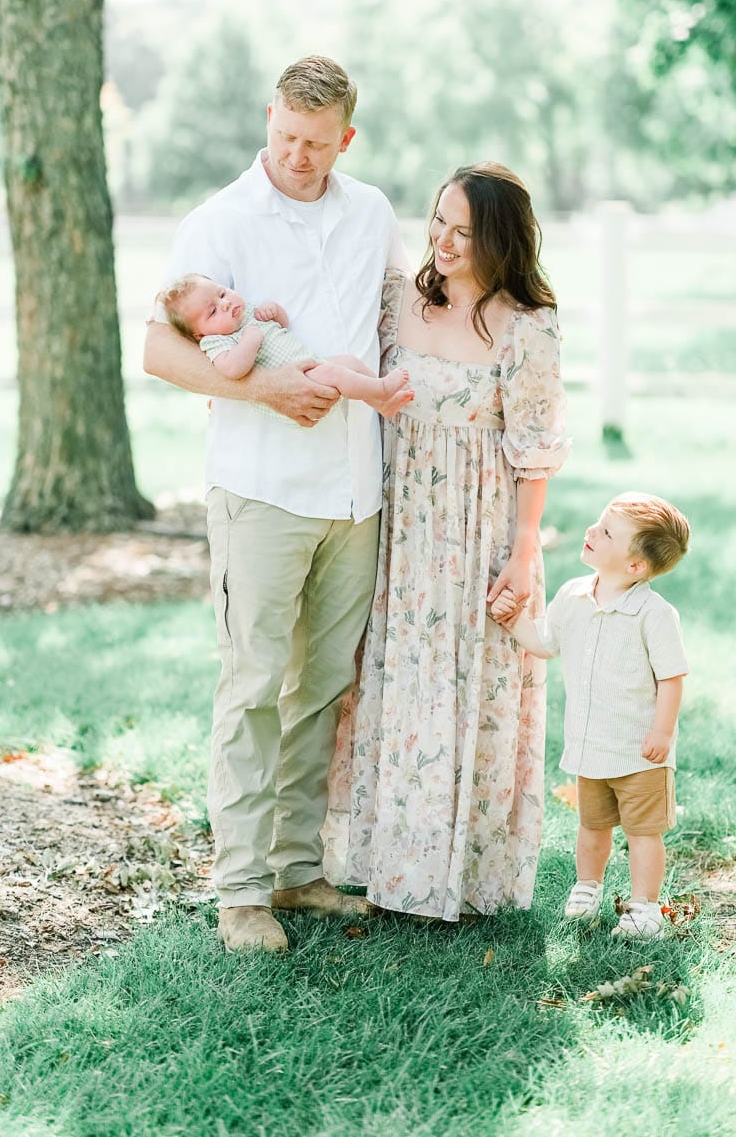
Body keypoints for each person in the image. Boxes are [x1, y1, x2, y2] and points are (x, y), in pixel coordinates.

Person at [143, 55, 409, 954]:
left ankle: (298, 871)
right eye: (286, 136)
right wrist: (264, 391)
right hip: (260, 493)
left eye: (317, 142)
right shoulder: (218, 221)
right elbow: (158, 351)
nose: (299, 155)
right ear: (268, 119)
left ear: (347, 137)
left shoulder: (370, 212)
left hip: (354, 492)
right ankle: (240, 891)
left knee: (322, 688)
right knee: (253, 686)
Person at [324, 162, 570, 921]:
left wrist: (524, 552)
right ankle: (386, 861)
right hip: (398, 522)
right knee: (393, 681)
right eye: (438, 221)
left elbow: (536, 448)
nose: (444, 240)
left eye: (464, 230)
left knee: (473, 689)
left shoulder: (526, 326)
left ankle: (464, 872)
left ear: (500, 238)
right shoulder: (400, 301)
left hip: (479, 527)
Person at [490, 492, 690, 939]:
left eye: (605, 532)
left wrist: (662, 730)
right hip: (590, 744)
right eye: (597, 524)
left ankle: (644, 908)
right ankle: (587, 887)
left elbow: (672, 678)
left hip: (640, 749)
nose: (590, 532)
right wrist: (514, 620)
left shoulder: (654, 615)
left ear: (636, 566)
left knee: (643, 832)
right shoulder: (574, 595)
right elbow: (544, 643)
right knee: (592, 825)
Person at [155, 273, 414, 417]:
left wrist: (274, 312)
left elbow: (283, 325)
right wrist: (250, 340)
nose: (224, 304)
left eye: (222, 293)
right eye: (212, 312)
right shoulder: (216, 342)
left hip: (308, 362)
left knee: (348, 362)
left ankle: (378, 400)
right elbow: (233, 369)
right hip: (295, 379)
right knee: (337, 372)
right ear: (199, 334)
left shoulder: (246, 313)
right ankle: (380, 388)